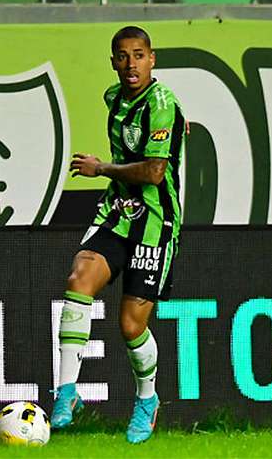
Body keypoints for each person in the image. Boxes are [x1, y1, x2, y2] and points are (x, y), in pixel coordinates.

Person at [49, 26, 186, 444]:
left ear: (152, 58)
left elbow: (155, 171)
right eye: (123, 56)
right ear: (113, 62)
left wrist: (102, 168)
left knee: (130, 326)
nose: (131, 64)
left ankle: (147, 400)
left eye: (139, 55)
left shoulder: (162, 106)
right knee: (78, 281)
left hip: (155, 220)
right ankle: (67, 392)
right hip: (118, 210)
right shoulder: (114, 98)